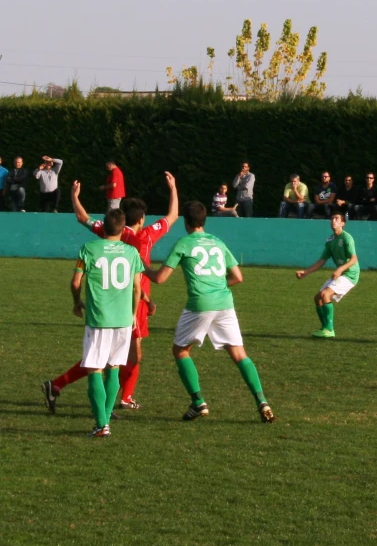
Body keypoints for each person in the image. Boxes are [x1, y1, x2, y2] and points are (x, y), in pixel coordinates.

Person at [42, 172, 178, 413]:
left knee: (112, 358)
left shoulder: (113, 231)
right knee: (121, 358)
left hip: (114, 300)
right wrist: (172, 188)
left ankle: (111, 397)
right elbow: (173, 215)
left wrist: (74, 196)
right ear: (142, 219)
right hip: (131, 304)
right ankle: (112, 398)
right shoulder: (146, 235)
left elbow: (83, 218)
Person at [145, 200, 275, 423]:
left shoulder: (184, 243)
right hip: (224, 303)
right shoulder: (217, 242)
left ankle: (198, 403)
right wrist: (217, 285)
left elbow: (160, 278)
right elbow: (238, 277)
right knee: (239, 353)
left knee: (181, 351)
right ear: (204, 220)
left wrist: (142, 266)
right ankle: (262, 401)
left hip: (200, 304)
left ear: (186, 222)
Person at [70, 208, 145, 437]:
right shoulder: (132, 252)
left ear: (103, 226)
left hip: (98, 317)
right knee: (113, 368)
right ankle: (106, 420)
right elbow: (137, 288)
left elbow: (75, 282)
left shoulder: (88, 249)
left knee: (94, 368)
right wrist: (133, 314)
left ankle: (102, 424)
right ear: (124, 228)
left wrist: (77, 302)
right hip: (123, 319)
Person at [296, 210, 360, 338]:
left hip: (350, 274)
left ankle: (330, 330)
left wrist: (340, 269)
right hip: (341, 274)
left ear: (342, 223)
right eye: (332, 218)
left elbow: (354, 259)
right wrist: (306, 272)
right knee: (317, 298)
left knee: (325, 294)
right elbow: (322, 260)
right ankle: (324, 328)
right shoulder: (330, 240)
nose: (333, 221)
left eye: (337, 219)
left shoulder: (347, 238)